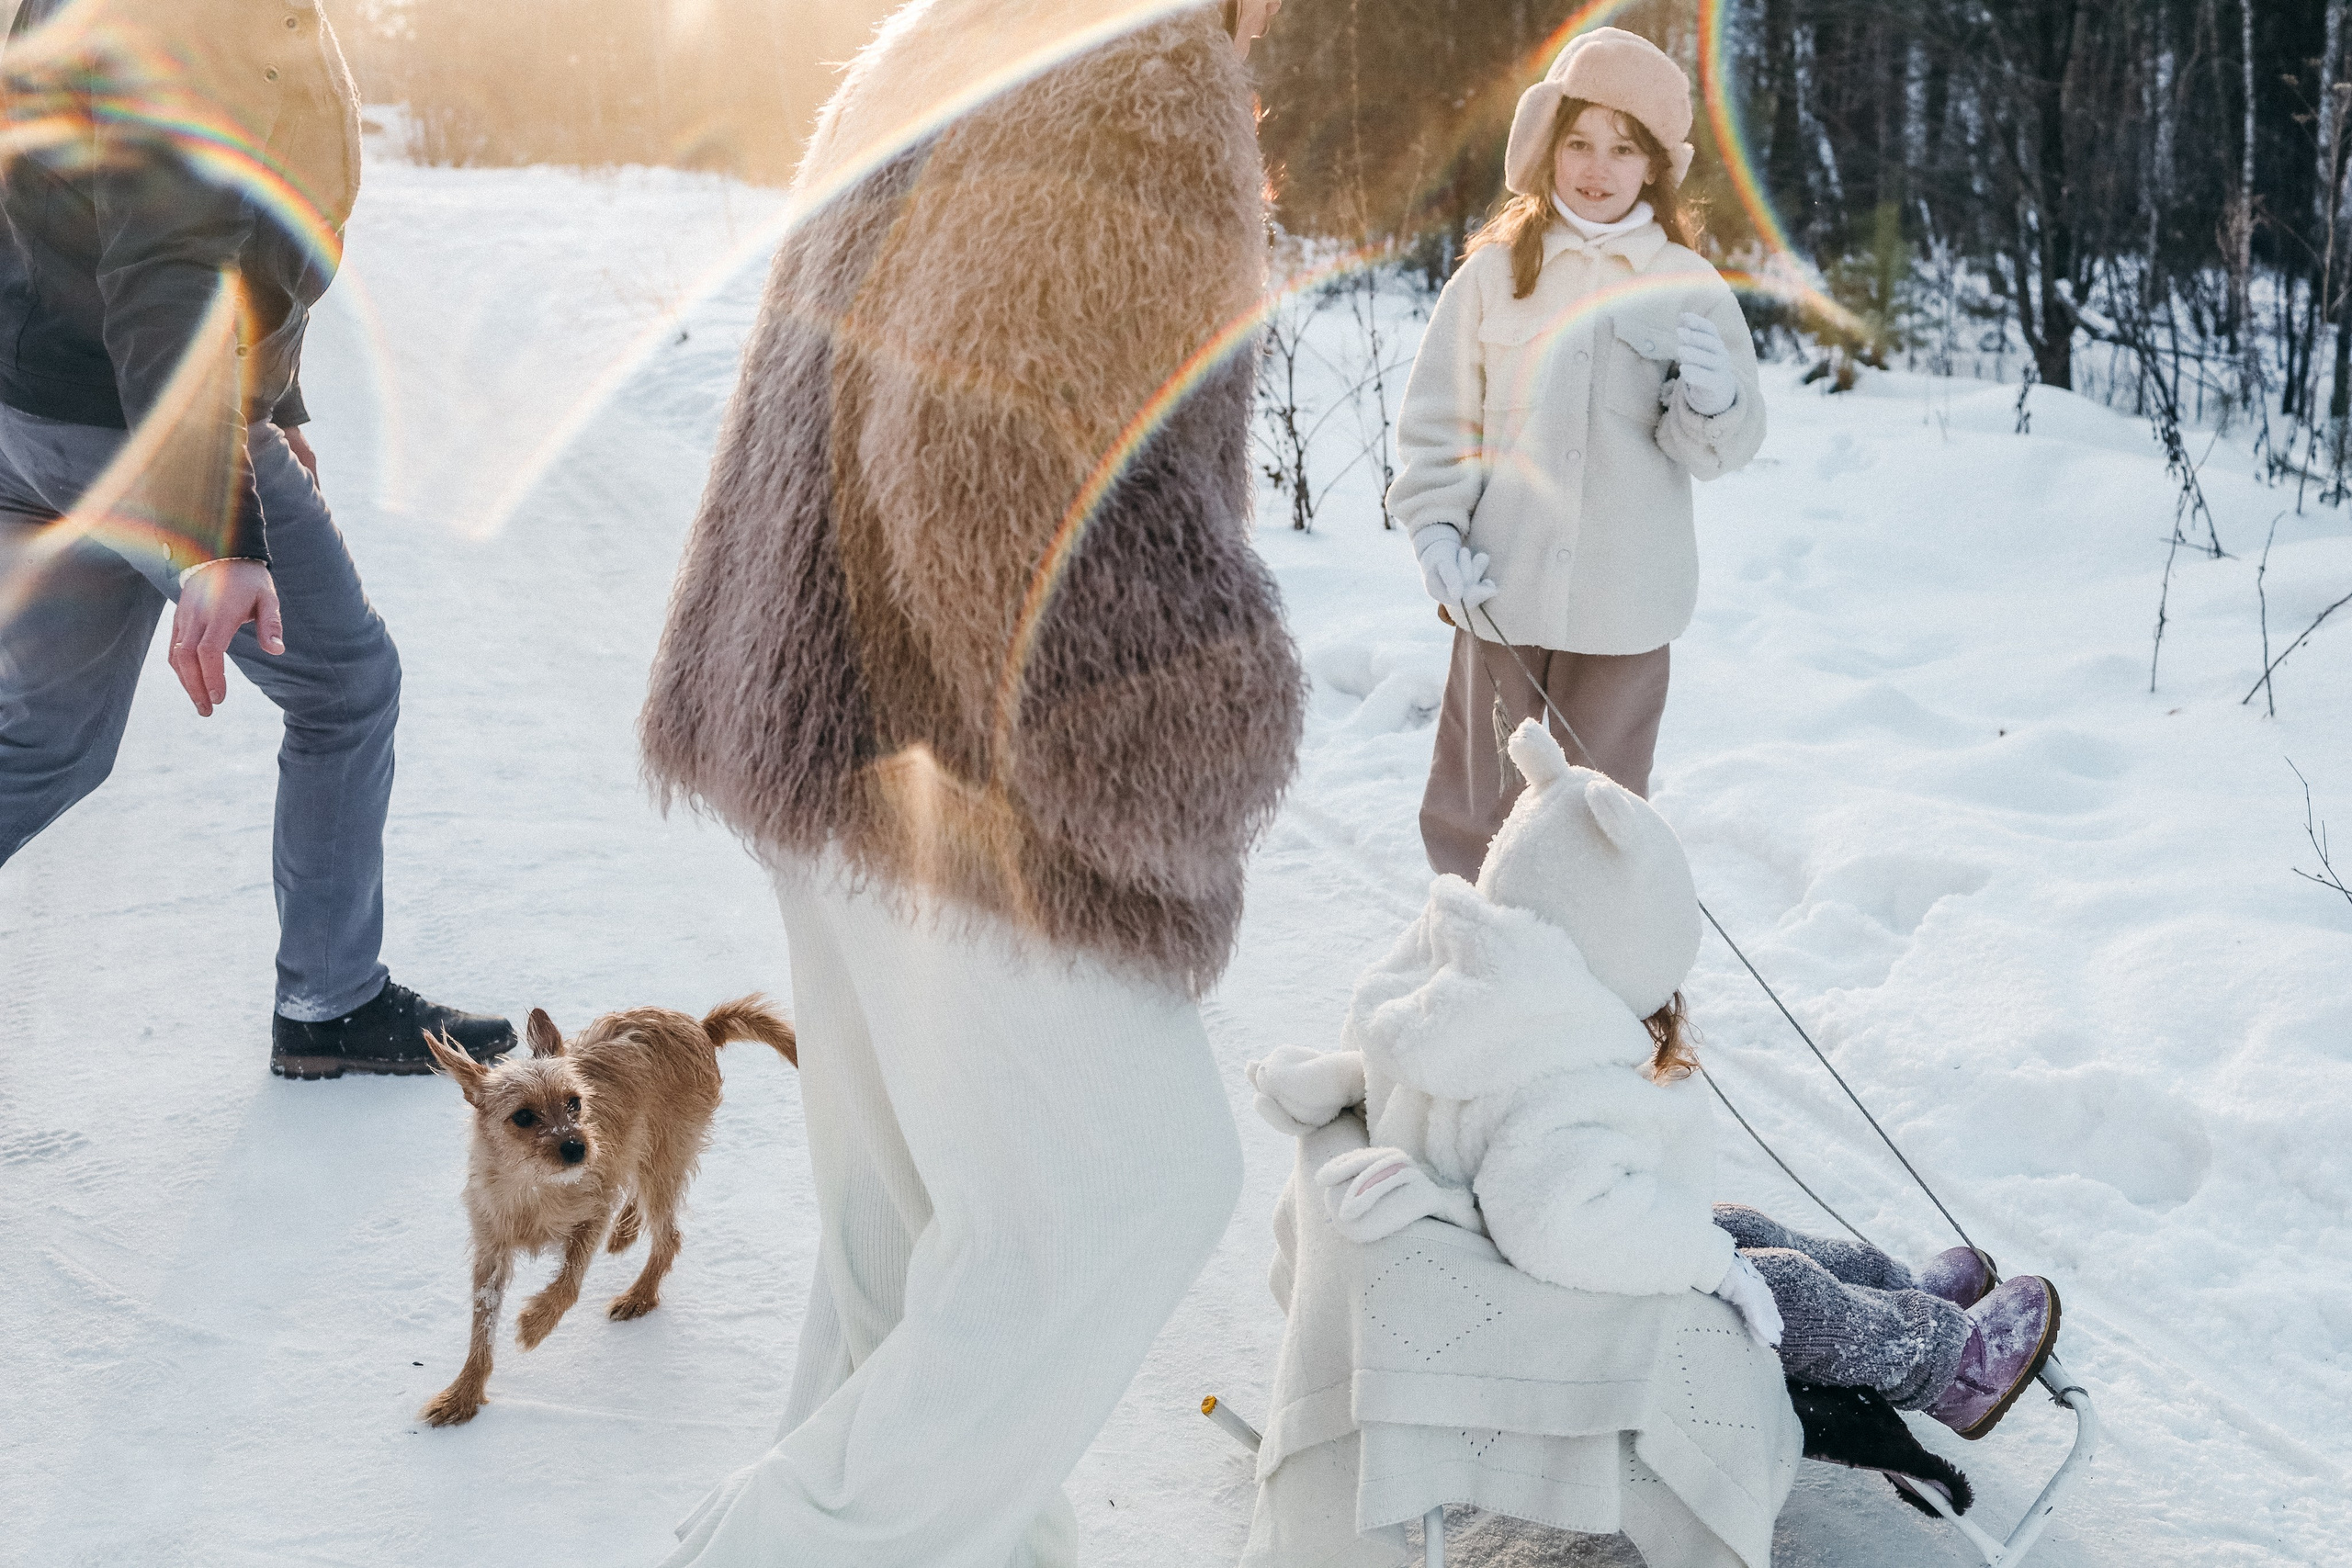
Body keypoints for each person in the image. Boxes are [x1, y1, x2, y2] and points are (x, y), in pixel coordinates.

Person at [638, 1, 1296, 1563]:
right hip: (956, 779)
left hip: (829, 730)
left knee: (917, 1243)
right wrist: (1210, 710)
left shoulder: (965, 30)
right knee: (1123, 1198)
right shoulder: (1137, 67)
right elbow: (996, 460)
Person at [1250, 718, 2063, 1452]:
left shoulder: (1460, 985)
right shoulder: (1545, 1067)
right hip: (1550, 1311)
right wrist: (1712, 1265)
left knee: (1738, 1223)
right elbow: (1554, 1219)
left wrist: (1703, 1241)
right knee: (1784, 1287)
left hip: (1492, 1260)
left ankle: (1905, 1294)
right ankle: (1952, 1369)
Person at [0, 0, 512, 1076]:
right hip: (137, 419)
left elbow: (190, 207)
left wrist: (276, 400)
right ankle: (329, 1005)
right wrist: (214, 534)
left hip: (37, 414)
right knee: (345, 685)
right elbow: (168, 259)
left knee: (47, 743)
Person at [1388, 27, 1768, 879]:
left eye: (1622, 149)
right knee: (1475, 814)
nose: (1596, 168)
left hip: (1625, 615)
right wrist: (1435, 535)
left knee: (1598, 827)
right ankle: (1472, 969)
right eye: (1579, 143)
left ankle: (1589, 998)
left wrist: (1715, 403)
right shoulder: (1492, 278)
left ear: (1654, 169)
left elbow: (1725, 447)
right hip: (1500, 594)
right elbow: (1439, 423)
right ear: (1547, 148)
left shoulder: (1689, 289)